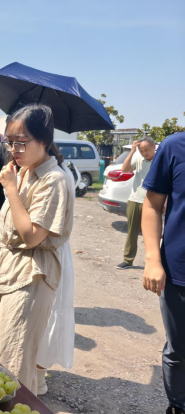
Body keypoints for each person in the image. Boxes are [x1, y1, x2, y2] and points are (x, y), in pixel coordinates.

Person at [0, 104, 74, 395]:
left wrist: (10, 189)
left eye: (21, 142)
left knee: (13, 361)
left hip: (29, 276)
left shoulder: (54, 179)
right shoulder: (25, 172)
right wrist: (15, 181)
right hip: (7, 269)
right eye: (9, 142)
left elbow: (32, 235)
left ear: (44, 141)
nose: (13, 149)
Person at [141, 132, 185, 414]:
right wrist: (152, 260)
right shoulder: (174, 147)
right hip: (179, 271)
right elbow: (152, 205)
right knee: (180, 350)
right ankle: (178, 406)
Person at [36, 161, 77, 395]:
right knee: (46, 313)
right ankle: (37, 375)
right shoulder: (61, 172)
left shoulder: (56, 176)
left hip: (50, 252)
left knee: (48, 312)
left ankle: (38, 376)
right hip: (54, 251)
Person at [117, 136, 156, 270]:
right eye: (141, 150)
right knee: (132, 232)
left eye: (146, 150)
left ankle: (153, 262)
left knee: (152, 234)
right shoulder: (138, 157)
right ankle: (128, 260)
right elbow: (125, 169)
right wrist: (132, 151)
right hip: (135, 200)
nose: (144, 153)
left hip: (152, 201)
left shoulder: (160, 159)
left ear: (153, 147)